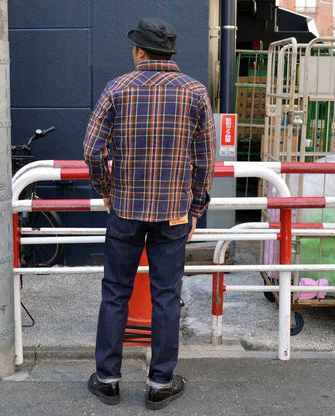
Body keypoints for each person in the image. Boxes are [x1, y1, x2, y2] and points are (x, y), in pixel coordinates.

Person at [83, 17, 215, 410]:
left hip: (125, 209)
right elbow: (206, 160)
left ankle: (107, 379)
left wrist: (106, 191)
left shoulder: (117, 89)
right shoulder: (195, 93)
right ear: (170, 53)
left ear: (139, 51)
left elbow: (92, 151)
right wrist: (196, 208)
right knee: (166, 296)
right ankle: (160, 383)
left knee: (115, 292)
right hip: (174, 212)